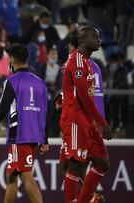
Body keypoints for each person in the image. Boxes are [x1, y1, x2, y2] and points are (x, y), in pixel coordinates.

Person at [0, 43, 49, 203]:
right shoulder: (40, 82)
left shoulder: (12, 81)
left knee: (26, 176)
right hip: (34, 135)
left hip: (19, 135)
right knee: (12, 175)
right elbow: (44, 112)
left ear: (11, 60)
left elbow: (3, 108)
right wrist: (44, 138)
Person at [60, 25, 111, 203]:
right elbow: (83, 96)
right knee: (75, 167)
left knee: (103, 164)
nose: (99, 40)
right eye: (95, 37)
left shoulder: (87, 63)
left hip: (88, 122)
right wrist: (102, 122)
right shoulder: (77, 62)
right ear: (82, 40)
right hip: (76, 121)